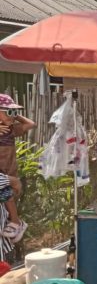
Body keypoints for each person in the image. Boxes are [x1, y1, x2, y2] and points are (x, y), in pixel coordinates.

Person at [0, 94, 35, 238]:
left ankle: (15, 222)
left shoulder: (11, 130)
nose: (11, 116)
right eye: (8, 112)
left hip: (7, 172)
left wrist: (15, 115)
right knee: (5, 197)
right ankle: (15, 222)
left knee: (7, 196)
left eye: (13, 112)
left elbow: (31, 124)